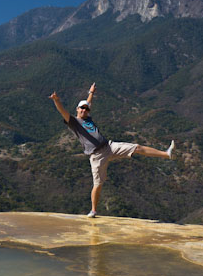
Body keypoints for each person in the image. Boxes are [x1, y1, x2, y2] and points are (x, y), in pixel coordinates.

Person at [49, 83, 174, 218]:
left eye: (86, 109)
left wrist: (91, 93)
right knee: (98, 184)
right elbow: (63, 111)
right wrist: (57, 100)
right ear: (77, 109)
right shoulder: (73, 122)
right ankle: (93, 210)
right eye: (82, 108)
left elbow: (89, 103)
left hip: (109, 146)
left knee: (137, 147)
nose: (84, 110)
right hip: (97, 156)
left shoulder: (88, 117)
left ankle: (166, 154)